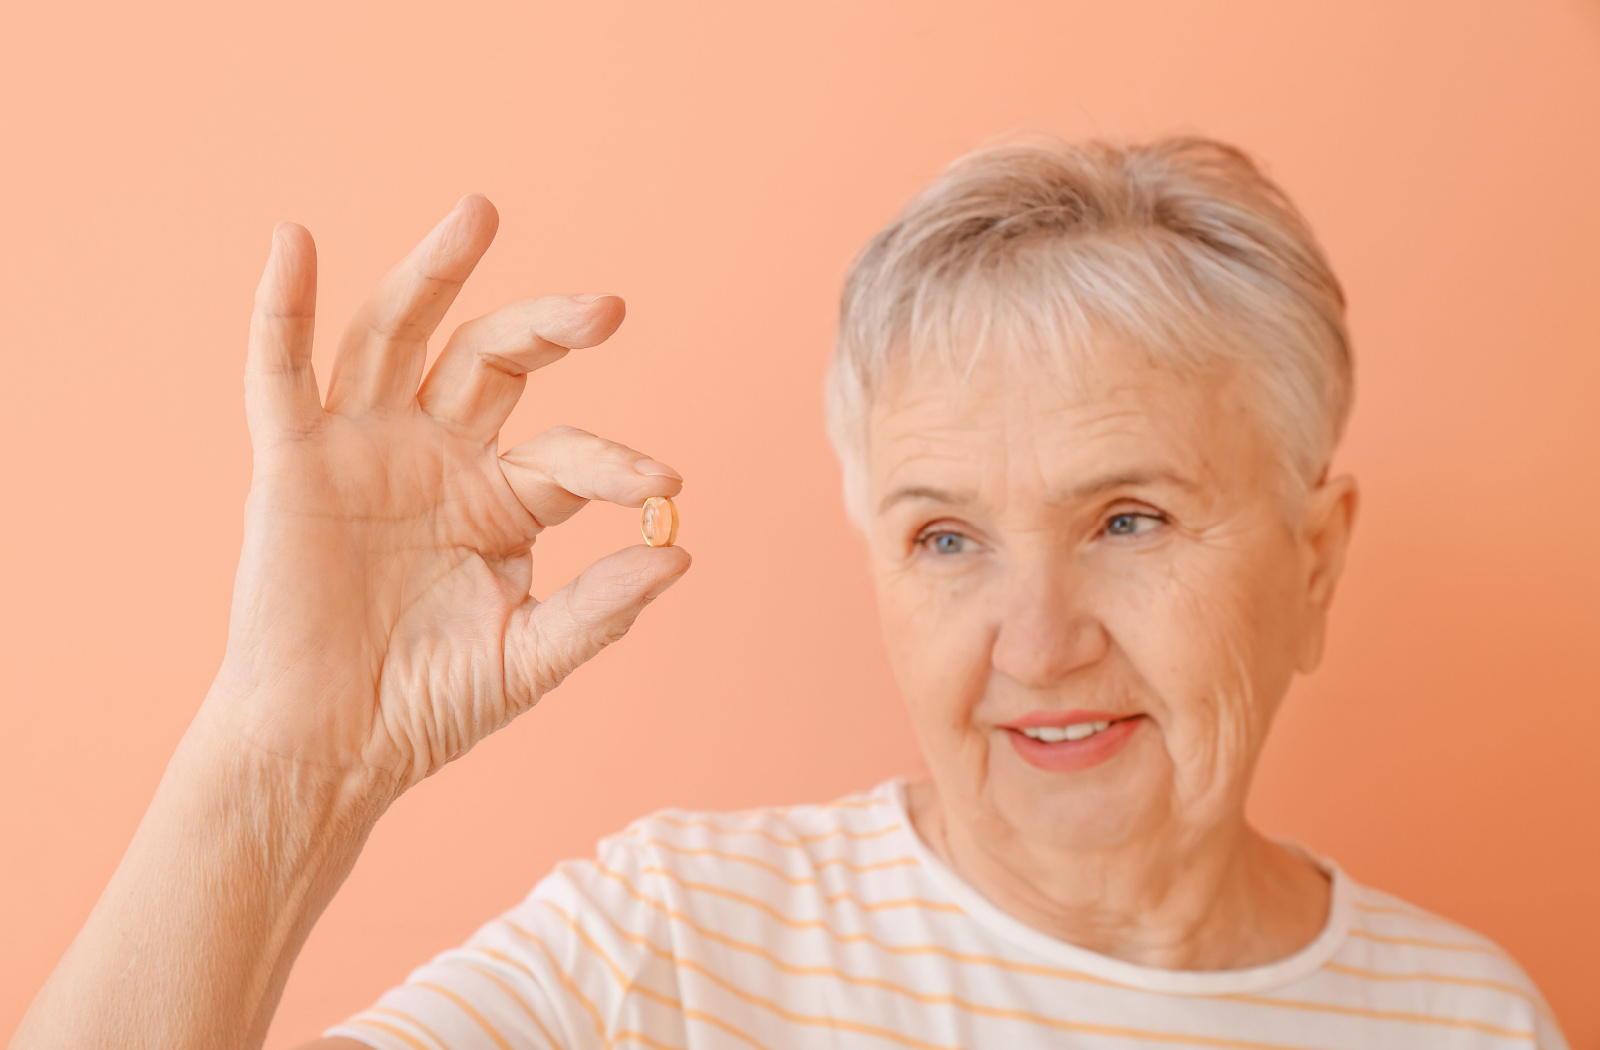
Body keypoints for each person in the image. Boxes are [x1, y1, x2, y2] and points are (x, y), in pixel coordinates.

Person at [12, 137, 1569, 1050]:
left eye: (1130, 515)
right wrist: (288, 764)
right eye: (944, 537)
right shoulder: (669, 950)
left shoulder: (1466, 1016)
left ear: (1315, 562)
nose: (1035, 640)